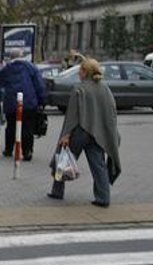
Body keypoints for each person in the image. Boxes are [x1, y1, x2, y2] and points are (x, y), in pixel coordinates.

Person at [47, 58, 121, 207]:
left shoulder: (79, 89)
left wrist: (66, 134)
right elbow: (112, 111)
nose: (78, 73)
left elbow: (72, 115)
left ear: (85, 72)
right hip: (98, 133)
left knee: (63, 161)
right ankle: (103, 197)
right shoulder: (105, 89)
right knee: (98, 165)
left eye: (80, 70)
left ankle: (57, 191)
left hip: (80, 132)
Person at [0, 48, 46, 160]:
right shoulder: (30, 67)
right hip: (29, 102)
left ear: (11, 57)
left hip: (11, 102)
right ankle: (27, 151)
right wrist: (42, 101)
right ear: (22, 56)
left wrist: (8, 86)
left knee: (11, 126)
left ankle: (8, 150)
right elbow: (39, 85)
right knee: (28, 127)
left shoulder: (7, 69)